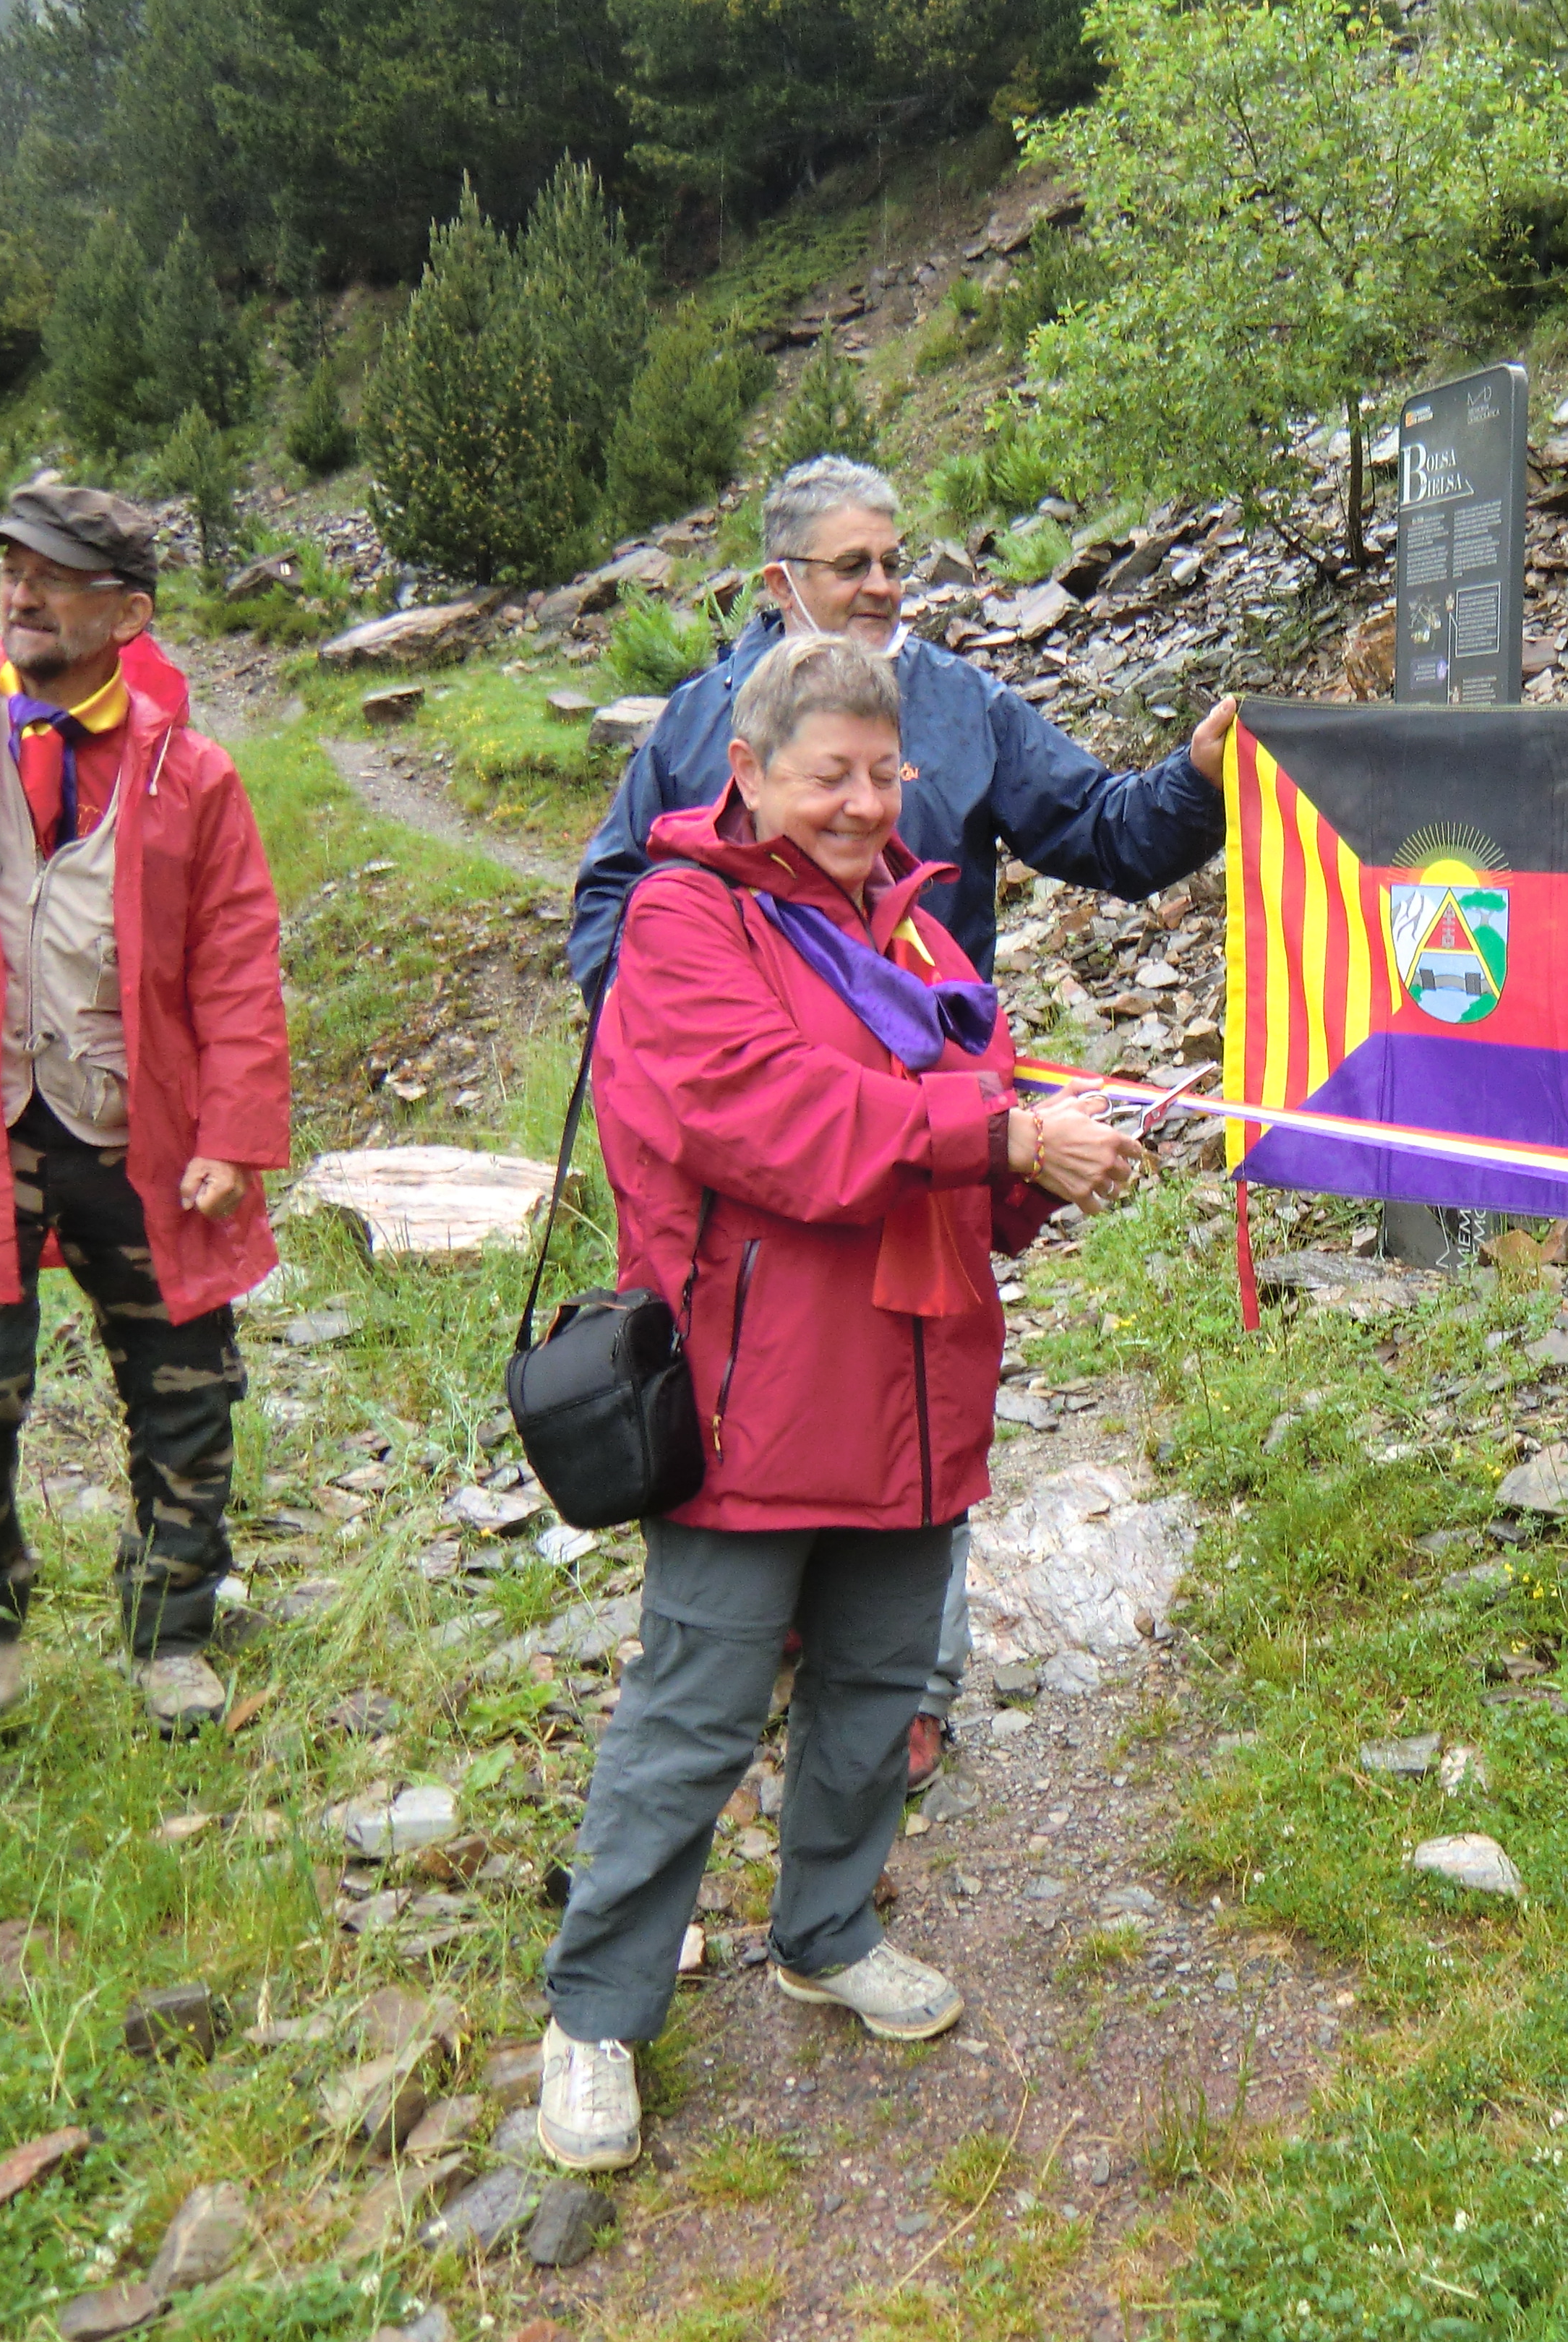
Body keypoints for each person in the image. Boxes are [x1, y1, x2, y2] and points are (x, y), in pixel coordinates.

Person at [536, 632, 1145, 2173]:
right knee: (695, 1715)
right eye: (831, 776)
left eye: (885, 773)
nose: (866, 804)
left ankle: (825, 1930)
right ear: (746, 774)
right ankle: (595, 2014)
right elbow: (771, 1119)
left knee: (876, 1691)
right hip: (755, 1397)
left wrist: (1051, 1153)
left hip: (918, 1390)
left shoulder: (921, 934)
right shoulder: (683, 921)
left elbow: (973, 1140)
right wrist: (1000, 1140)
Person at [570, 454, 1235, 1790]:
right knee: (765, 1399)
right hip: (764, 1164)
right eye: (852, 565)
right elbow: (609, 904)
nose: (884, 586)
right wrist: (670, 1057)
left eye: (895, 561)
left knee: (922, 1390)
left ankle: (904, 1699)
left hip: (933, 1148)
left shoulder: (962, 705)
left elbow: (1103, 834)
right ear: (780, 582)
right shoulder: (699, 726)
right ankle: (776, 1660)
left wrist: (1199, 779)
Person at [0, 484, 288, 1735]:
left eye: (53, 577)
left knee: (187, 1395)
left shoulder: (192, 773)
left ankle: (172, 1630)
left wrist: (235, 1135)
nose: (20, 593)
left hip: (142, 1138)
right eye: (11, 571)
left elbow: (239, 961)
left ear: (127, 614)